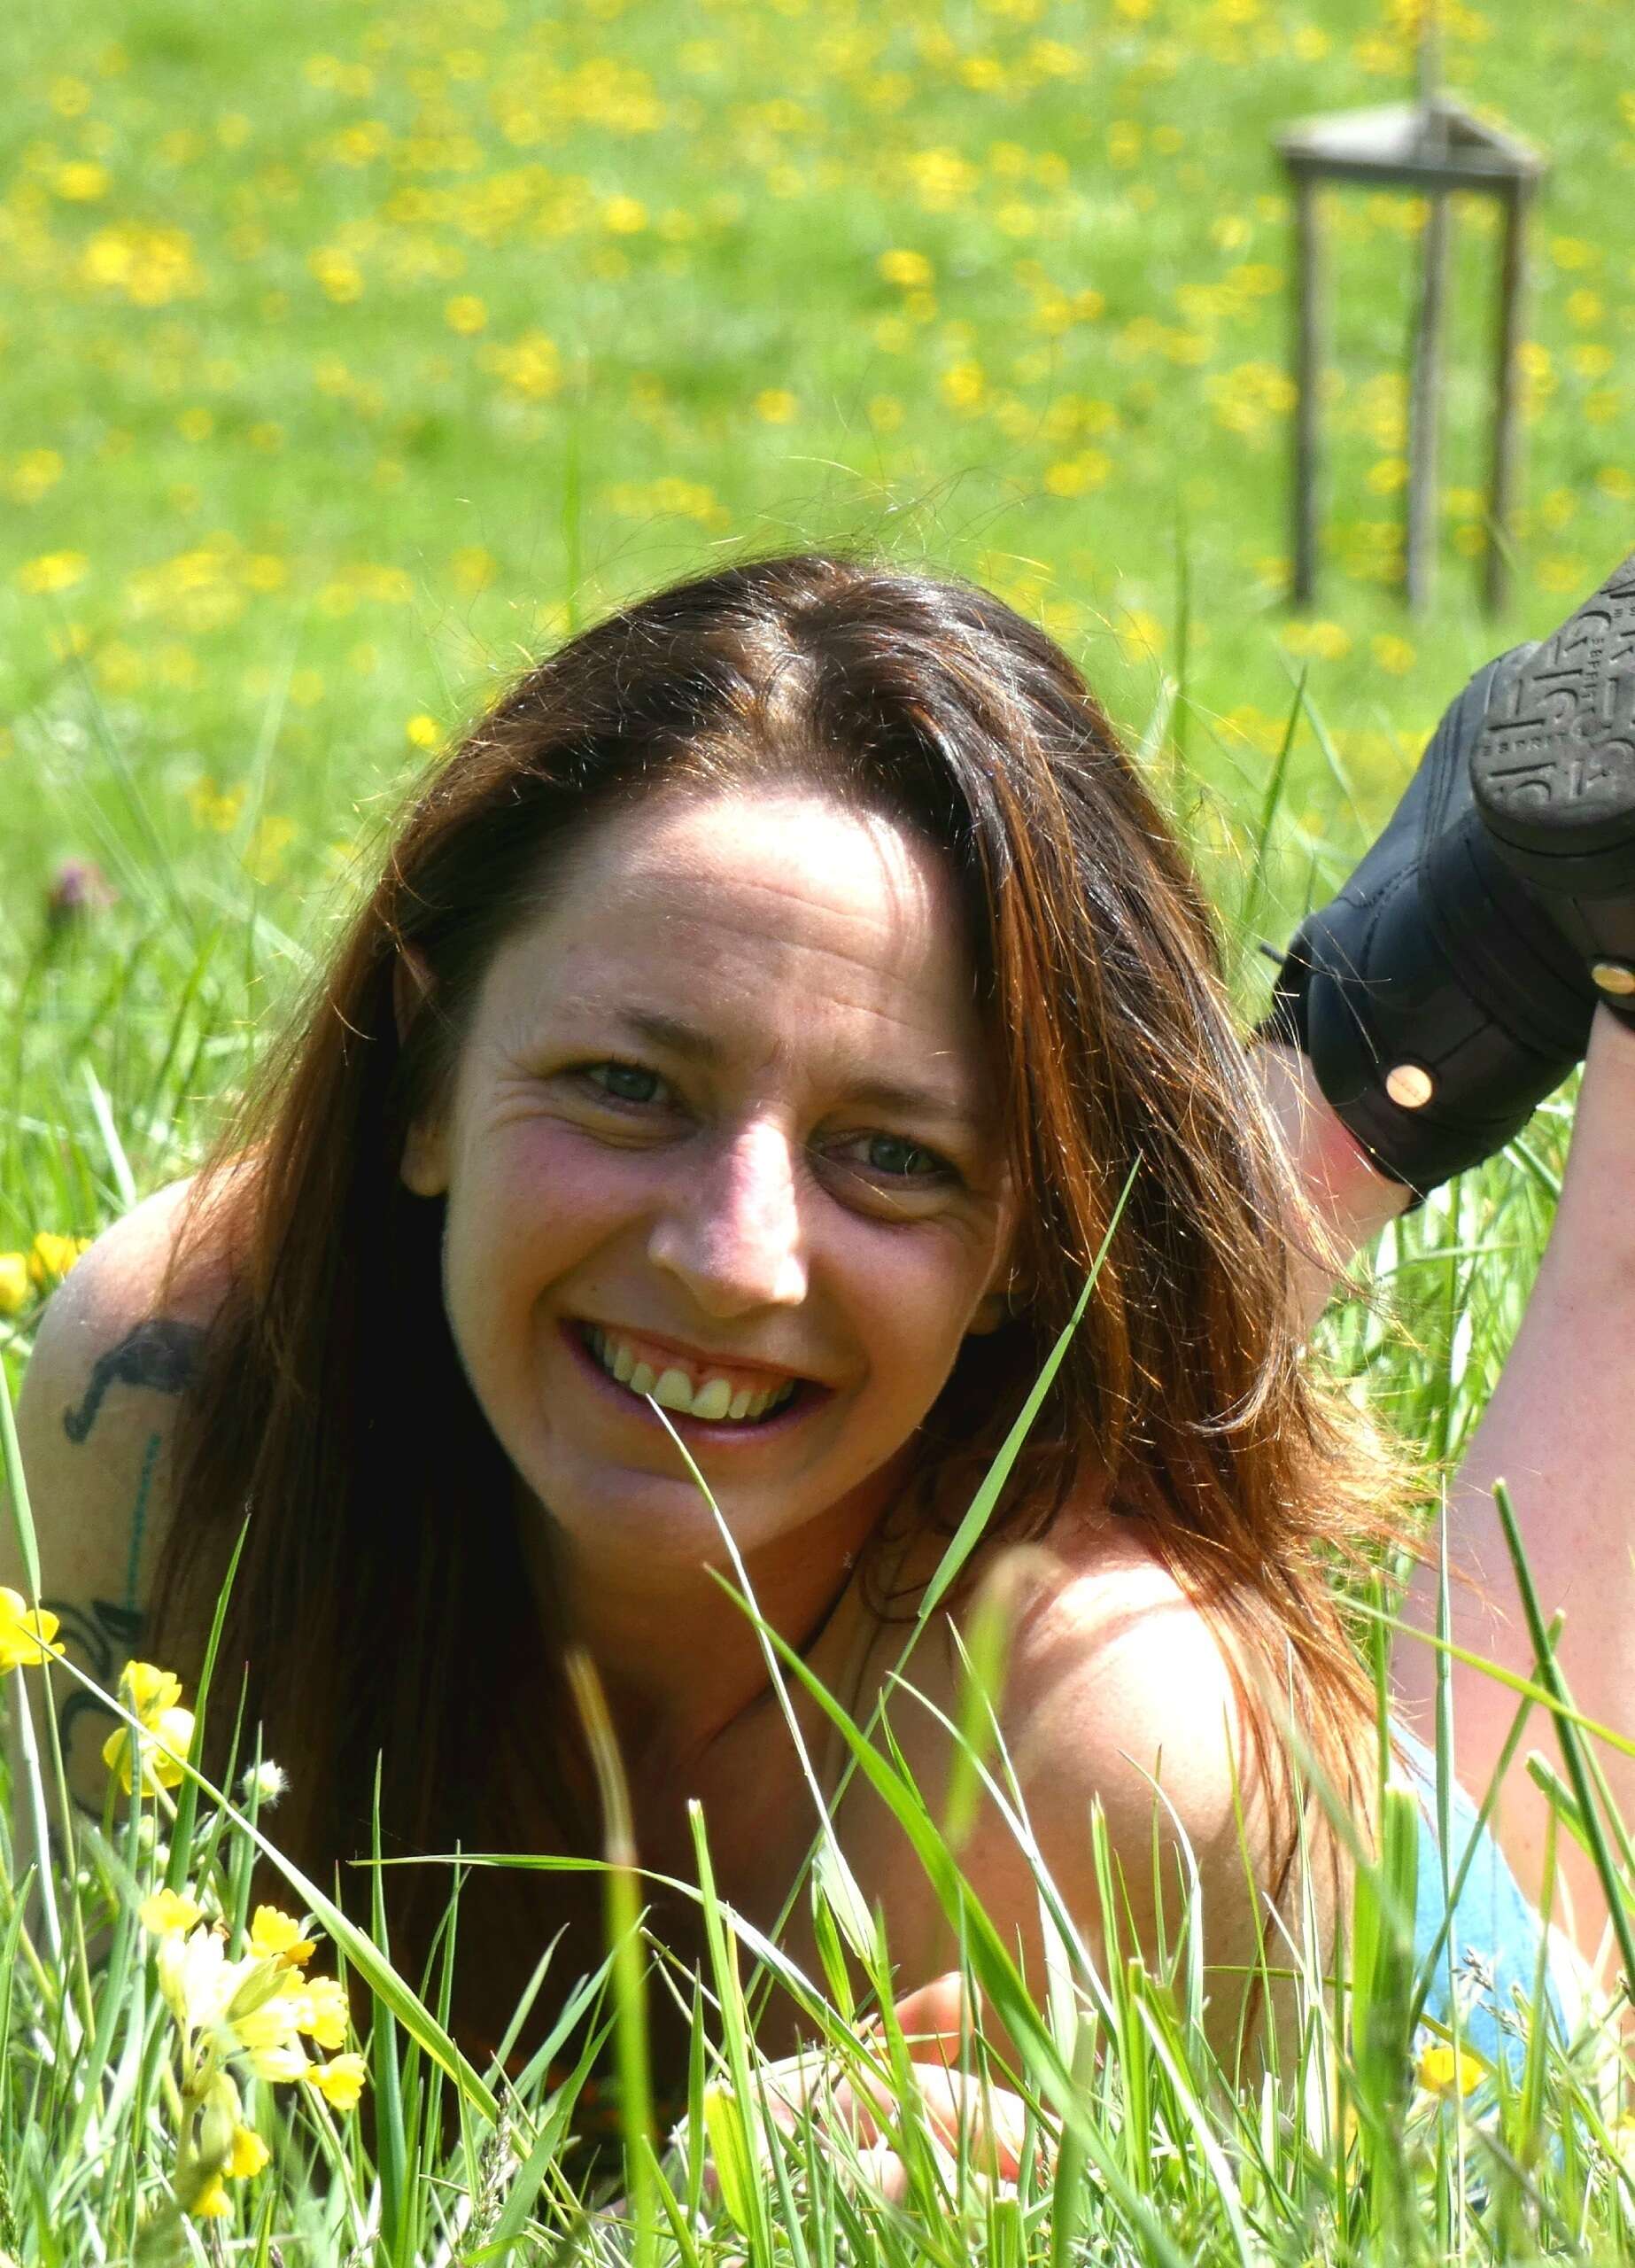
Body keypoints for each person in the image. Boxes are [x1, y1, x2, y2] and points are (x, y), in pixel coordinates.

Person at [8, 550, 1632, 2133]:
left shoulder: (1095, 1747)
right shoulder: (172, 1391)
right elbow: (86, 2095)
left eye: (894, 1154)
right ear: (426, 1073)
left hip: (1439, 2040)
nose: (729, 1261)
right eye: (625, 1087)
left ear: (1026, 1241)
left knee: (1549, 1987)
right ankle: (1363, 1057)